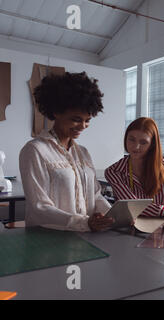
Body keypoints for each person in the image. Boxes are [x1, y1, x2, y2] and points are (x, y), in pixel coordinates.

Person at [19, 72, 114, 232]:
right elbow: (39, 207)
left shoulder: (83, 153)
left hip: (84, 237)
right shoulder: (35, 150)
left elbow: (96, 196)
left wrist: (113, 216)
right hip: (47, 239)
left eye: (87, 120)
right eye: (76, 119)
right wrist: (84, 222)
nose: (82, 126)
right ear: (56, 111)